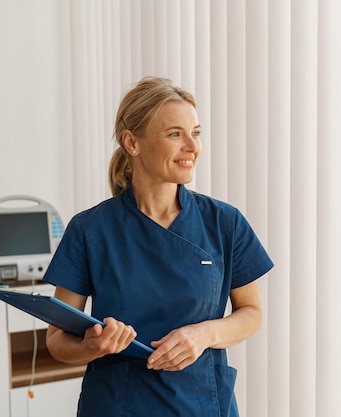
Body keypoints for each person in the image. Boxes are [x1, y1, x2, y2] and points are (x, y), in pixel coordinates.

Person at [43, 76, 274, 416]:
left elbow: (251, 313)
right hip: (118, 404)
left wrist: (204, 334)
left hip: (201, 403)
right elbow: (57, 341)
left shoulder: (225, 222)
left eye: (195, 133)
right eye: (175, 134)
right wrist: (92, 346)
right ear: (132, 143)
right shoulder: (90, 230)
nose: (193, 147)